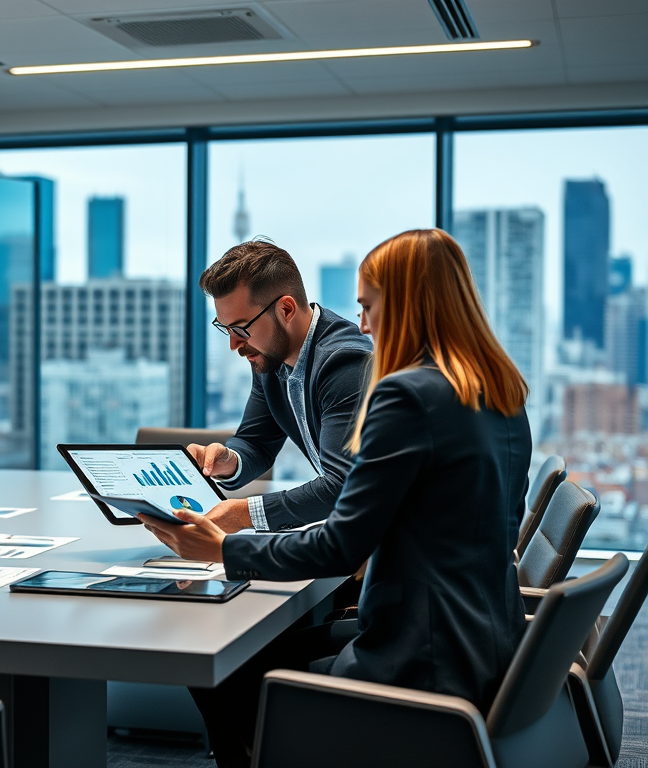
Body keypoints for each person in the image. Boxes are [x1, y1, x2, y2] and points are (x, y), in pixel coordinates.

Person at [141, 229, 531, 768]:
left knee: (224, 663)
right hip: (490, 642)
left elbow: (341, 545)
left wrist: (221, 551)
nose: (364, 326)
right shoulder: (499, 389)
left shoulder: (403, 393)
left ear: (411, 306)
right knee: (256, 649)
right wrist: (232, 467)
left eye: (370, 307)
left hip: (420, 658)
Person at [195, 240, 372, 534]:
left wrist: (243, 514)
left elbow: (343, 485)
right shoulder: (269, 355)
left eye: (240, 329)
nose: (234, 344)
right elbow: (256, 443)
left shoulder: (345, 363)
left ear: (286, 309)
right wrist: (229, 460)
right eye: (226, 330)